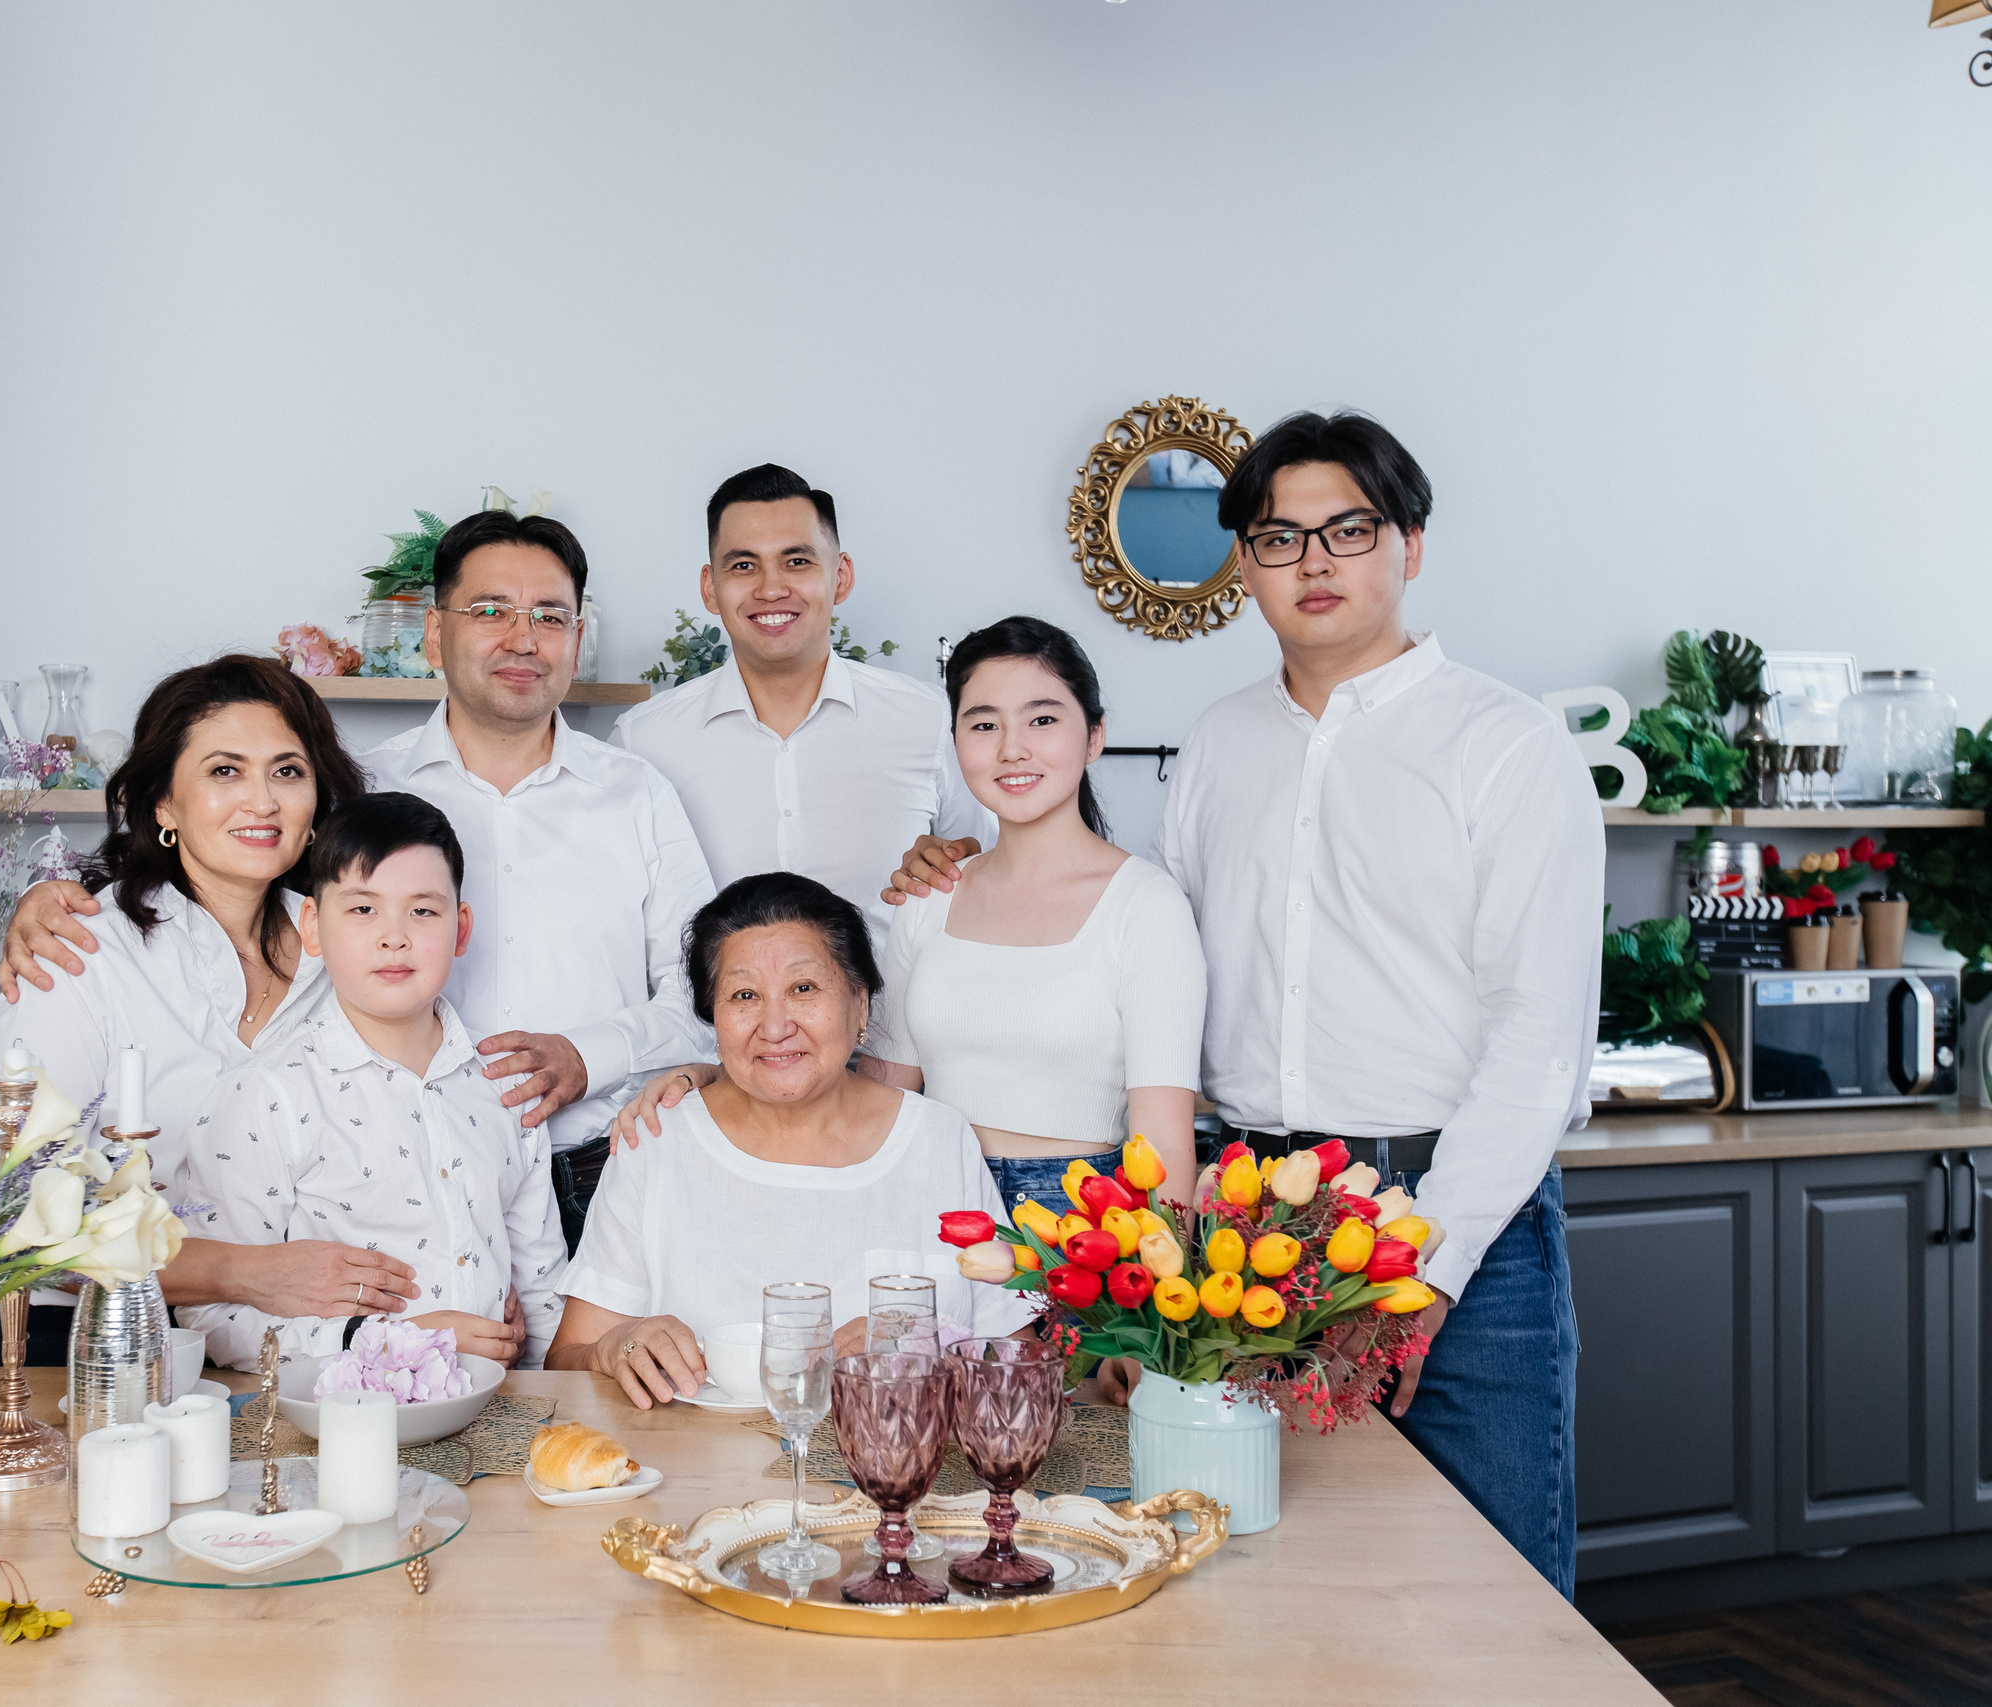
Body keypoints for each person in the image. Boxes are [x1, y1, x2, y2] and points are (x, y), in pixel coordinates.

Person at [889, 411, 1600, 1595]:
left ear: (1409, 545)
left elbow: (1538, 1040)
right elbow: (1161, 953)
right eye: (1278, 537)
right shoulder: (1220, 743)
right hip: (1244, 1219)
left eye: (1347, 529)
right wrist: (960, 871)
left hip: (1444, 1211)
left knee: (1489, 1586)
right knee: (1267, 1578)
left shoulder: (1506, 746)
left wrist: (1424, 1275)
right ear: (1244, 564)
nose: (1313, 561)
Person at [0, 509, 716, 1256]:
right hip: (391, 1196)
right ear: (435, 634)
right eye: (491, 610)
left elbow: (708, 994)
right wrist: (47, 897)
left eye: (550, 615)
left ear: (575, 635)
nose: (522, 637)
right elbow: (218, 864)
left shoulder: (638, 795)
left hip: (610, 1166)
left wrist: (586, 1054)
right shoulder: (362, 791)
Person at [0, 655, 421, 1367]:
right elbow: (19, 1219)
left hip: (295, 1342)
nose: (262, 801)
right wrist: (243, 1270)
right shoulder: (81, 954)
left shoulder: (348, 947)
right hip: (80, 1339)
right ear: (164, 806)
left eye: (288, 771)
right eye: (224, 771)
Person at [546, 872, 1033, 1411]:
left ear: (860, 1003)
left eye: (804, 988)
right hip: (697, 1482)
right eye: (744, 995)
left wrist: (925, 1348)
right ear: (714, 1018)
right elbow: (567, 1357)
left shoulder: (937, 1141)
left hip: (898, 1470)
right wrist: (613, 1348)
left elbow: (1017, 1356)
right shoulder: (657, 1139)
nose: (775, 1025)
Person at [175, 792, 564, 1371]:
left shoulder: (505, 1088)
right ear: (312, 926)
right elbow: (212, 1318)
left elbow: (543, 1294)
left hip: (497, 1420)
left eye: (423, 911)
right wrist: (393, 1343)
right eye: (362, 909)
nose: (394, 936)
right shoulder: (268, 1096)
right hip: (339, 1424)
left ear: (460, 930)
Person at [866, 617, 1203, 1216]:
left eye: (1042, 720)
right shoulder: (933, 892)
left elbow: (1165, 1145)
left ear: (1094, 736)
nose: (1011, 749)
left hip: (1079, 1225)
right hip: (927, 1206)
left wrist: (1159, 1291)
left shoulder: (1146, 906)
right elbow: (877, 1099)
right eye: (984, 724)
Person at [609, 464, 995, 942]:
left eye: (797, 561)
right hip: (704, 1020)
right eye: (743, 565)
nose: (771, 589)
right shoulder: (643, 740)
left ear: (841, 576)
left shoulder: (932, 720)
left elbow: (992, 870)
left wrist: (958, 861)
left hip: (893, 1018)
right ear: (710, 587)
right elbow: (615, 917)